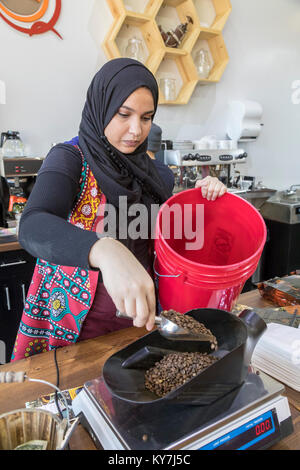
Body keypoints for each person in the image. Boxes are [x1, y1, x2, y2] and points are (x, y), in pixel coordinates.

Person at [11, 58, 226, 361]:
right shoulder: (70, 160)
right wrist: (103, 249)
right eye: (123, 114)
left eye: (146, 117)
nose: (136, 130)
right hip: (77, 332)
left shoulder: (158, 175)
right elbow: (33, 225)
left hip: (143, 323)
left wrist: (203, 200)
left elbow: (174, 242)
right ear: (101, 107)